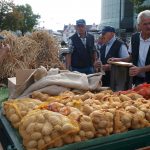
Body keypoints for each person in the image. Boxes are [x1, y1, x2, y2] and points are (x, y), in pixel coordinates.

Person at [109, 10, 150, 86]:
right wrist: (118, 59)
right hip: (138, 80)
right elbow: (131, 57)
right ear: (139, 26)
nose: (148, 26)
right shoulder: (134, 38)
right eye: (145, 24)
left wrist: (140, 69)